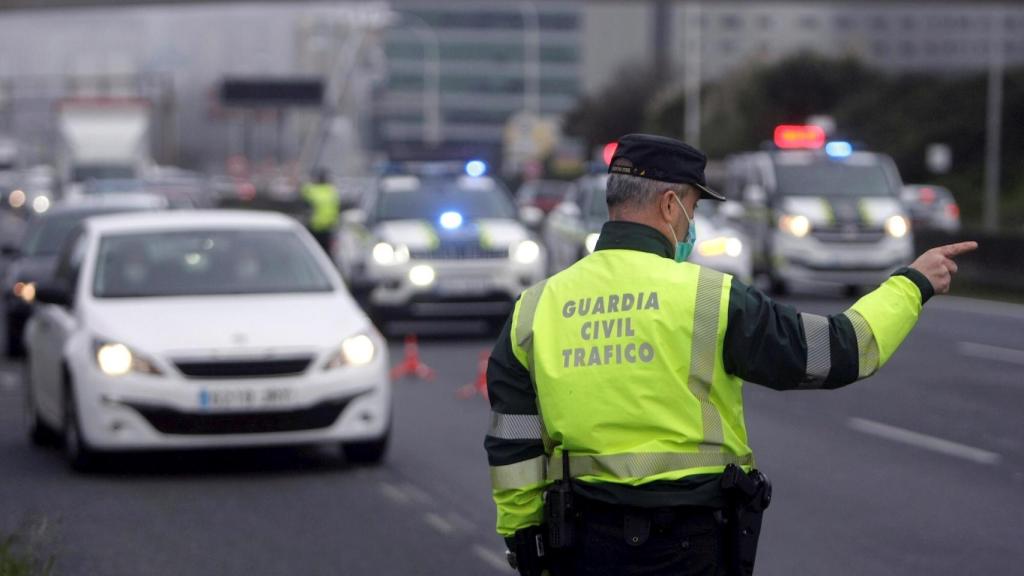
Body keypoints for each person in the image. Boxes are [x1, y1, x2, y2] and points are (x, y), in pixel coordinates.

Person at [484, 133, 977, 576]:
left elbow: (514, 444)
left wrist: (526, 540)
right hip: (689, 544)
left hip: (579, 544)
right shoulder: (710, 297)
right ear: (672, 206)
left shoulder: (534, 308)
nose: (692, 224)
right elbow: (839, 352)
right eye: (695, 210)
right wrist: (911, 285)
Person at [301, 168, 341, 253]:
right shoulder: (331, 191)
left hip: (314, 228)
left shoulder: (311, 190)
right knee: (327, 254)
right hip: (328, 228)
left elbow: (302, 197)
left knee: (312, 252)